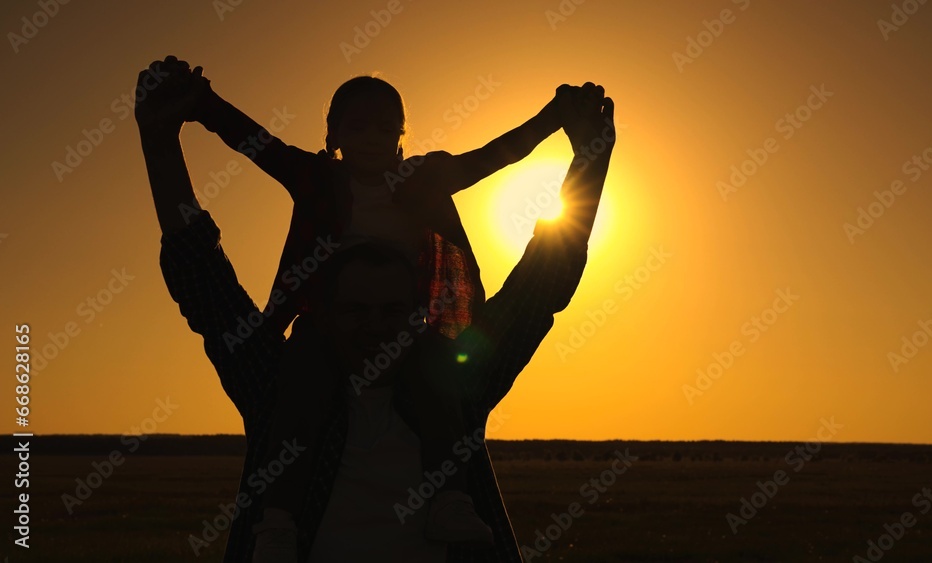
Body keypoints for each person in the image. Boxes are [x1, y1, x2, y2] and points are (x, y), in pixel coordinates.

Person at [137, 54, 614, 561]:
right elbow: (205, 267)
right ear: (334, 133)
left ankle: (450, 498)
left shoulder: (458, 381)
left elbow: (539, 264)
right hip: (307, 351)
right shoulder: (276, 387)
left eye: (392, 310)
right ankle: (277, 521)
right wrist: (177, 124)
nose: (374, 327)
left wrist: (583, 147)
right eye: (355, 310)